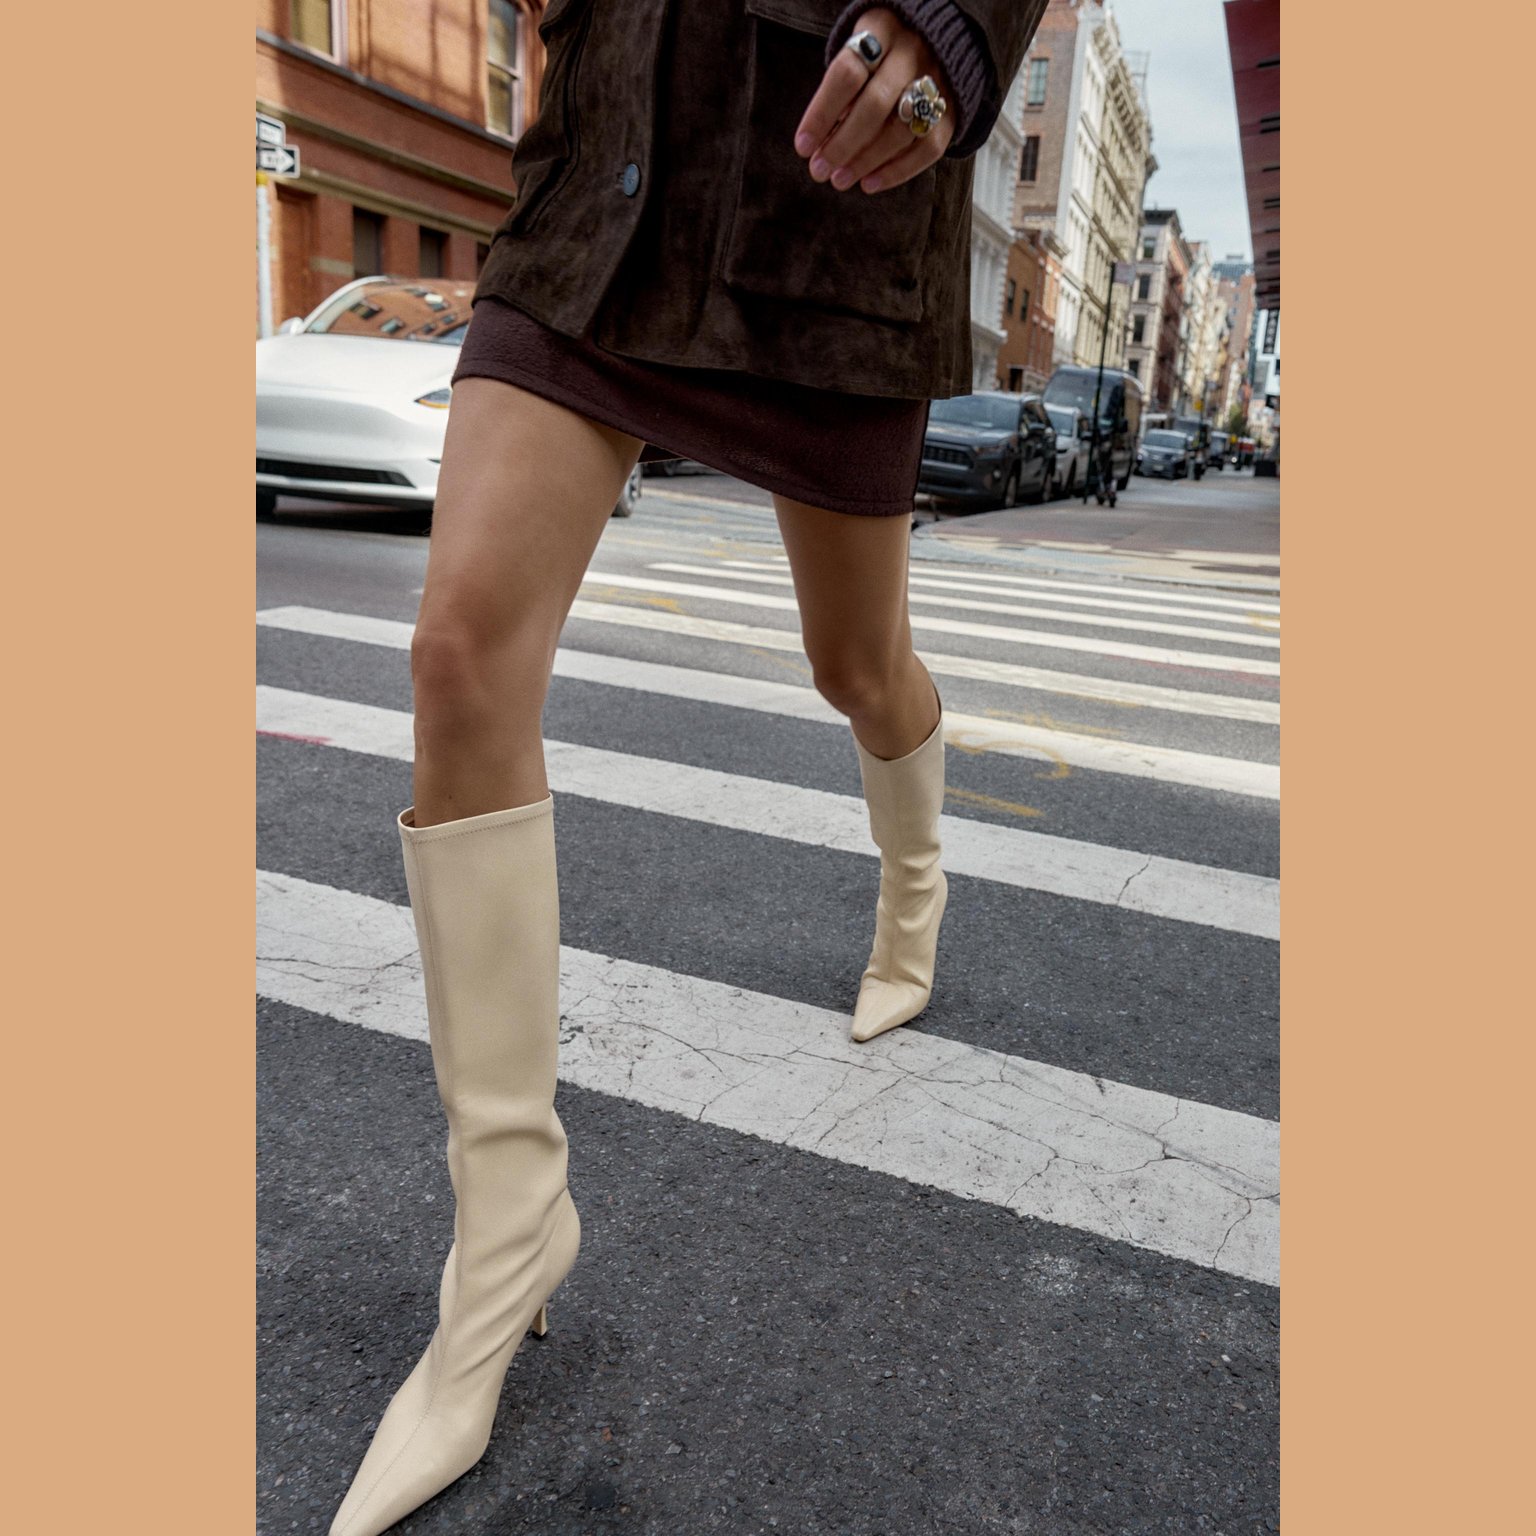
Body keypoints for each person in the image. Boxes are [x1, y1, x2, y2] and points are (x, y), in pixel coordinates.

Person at [327, 4, 1045, 1532]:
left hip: (826, 206)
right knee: (459, 654)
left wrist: (954, 24)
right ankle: (506, 1239)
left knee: (855, 665)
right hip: (605, 187)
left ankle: (914, 883)